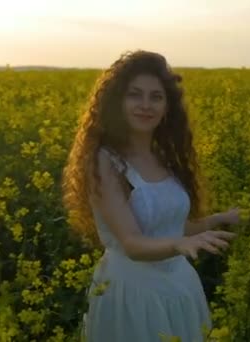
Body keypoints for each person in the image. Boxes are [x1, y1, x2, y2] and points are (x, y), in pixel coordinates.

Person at [61, 50, 240, 341]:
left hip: (178, 287)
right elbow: (133, 243)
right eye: (135, 95)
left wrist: (222, 218)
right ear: (117, 101)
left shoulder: (165, 156)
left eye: (156, 97)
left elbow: (169, 228)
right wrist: (182, 243)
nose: (146, 105)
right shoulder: (105, 161)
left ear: (168, 106)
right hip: (133, 294)